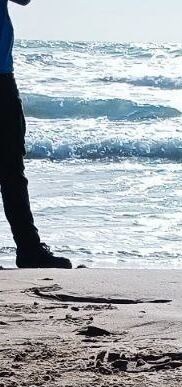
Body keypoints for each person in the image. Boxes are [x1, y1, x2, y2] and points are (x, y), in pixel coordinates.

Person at [1, 0, 71, 268]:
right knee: (12, 170)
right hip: (2, 78)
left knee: (12, 168)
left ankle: (29, 249)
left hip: (2, 77)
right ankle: (29, 249)